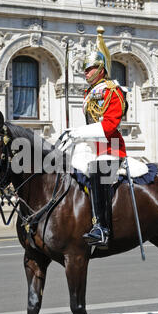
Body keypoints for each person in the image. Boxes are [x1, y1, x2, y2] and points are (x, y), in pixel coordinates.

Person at [62, 26, 128, 248]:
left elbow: (109, 126)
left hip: (110, 147)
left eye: (90, 68)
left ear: (101, 69)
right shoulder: (89, 93)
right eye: (84, 69)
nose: (85, 72)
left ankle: (102, 228)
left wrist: (78, 133)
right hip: (90, 147)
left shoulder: (113, 90)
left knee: (98, 173)